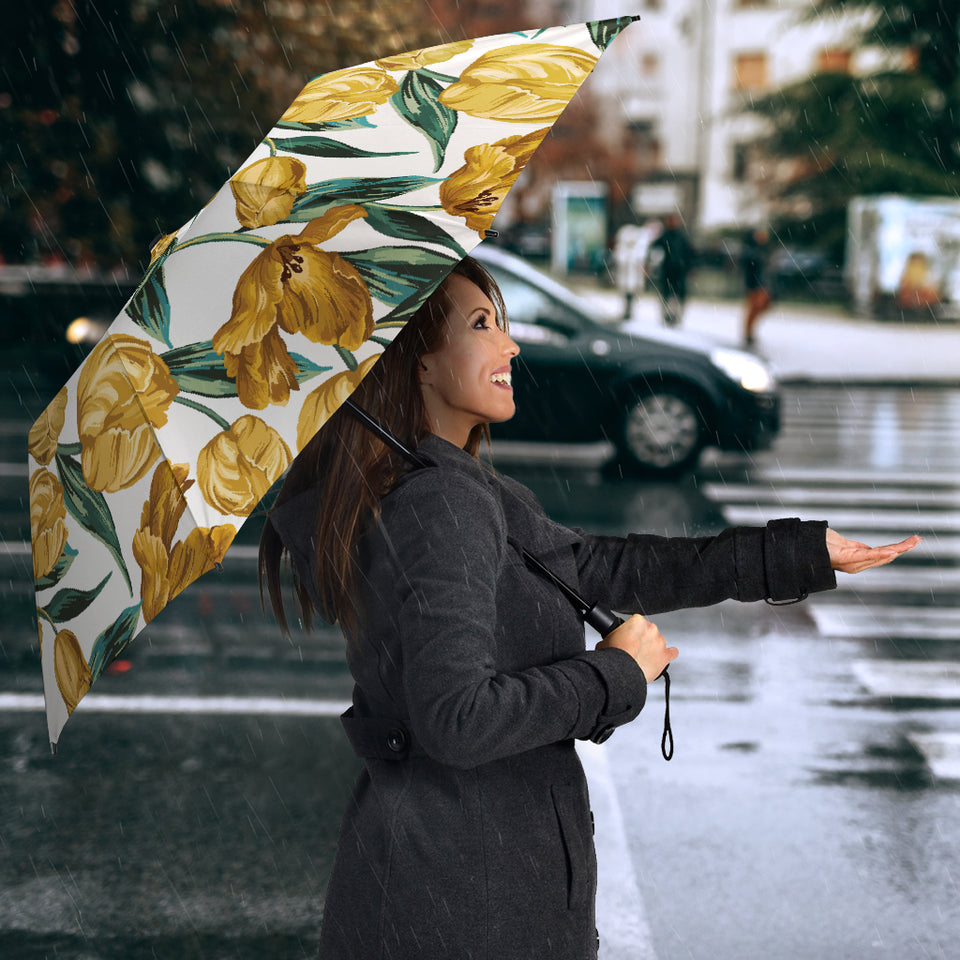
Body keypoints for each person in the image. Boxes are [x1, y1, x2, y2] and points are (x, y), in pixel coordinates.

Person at [259, 256, 920, 960]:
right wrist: (613, 674)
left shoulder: (452, 488)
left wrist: (795, 554)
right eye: (482, 325)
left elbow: (602, 568)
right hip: (465, 901)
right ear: (417, 362)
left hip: (458, 882)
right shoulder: (440, 504)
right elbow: (457, 719)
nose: (510, 345)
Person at [648, 213, 695, 327]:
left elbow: (690, 253)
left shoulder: (681, 237)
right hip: (668, 270)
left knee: (677, 295)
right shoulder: (665, 236)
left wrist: (690, 267)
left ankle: (675, 316)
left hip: (679, 271)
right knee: (667, 294)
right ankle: (667, 315)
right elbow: (654, 249)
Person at [741, 226, 773, 347]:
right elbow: (750, 265)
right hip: (755, 284)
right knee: (754, 308)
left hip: (763, 283)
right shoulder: (751, 250)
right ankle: (748, 333)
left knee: (762, 306)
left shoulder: (763, 249)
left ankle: (750, 331)